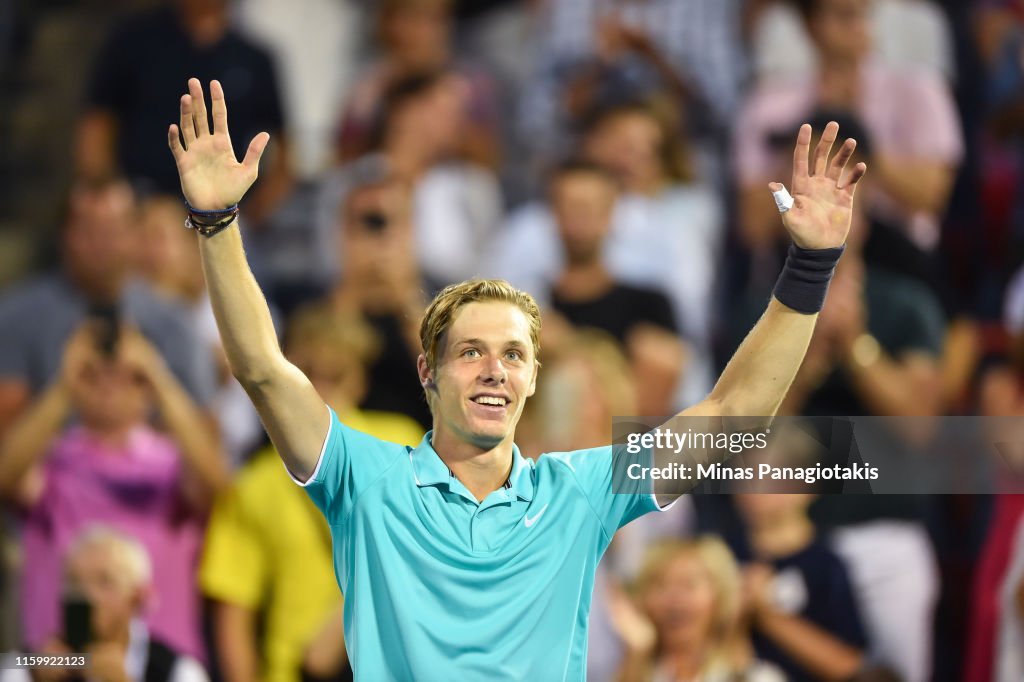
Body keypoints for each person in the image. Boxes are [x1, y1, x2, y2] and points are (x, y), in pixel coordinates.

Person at [166, 77, 865, 679]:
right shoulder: (365, 478)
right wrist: (217, 221)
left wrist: (811, 266)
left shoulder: (581, 491)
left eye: (512, 354)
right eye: (470, 351)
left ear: (532, 380)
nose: (494, 368)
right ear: (427, 373)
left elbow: (734, 407)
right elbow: (261, 369)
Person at [200, 304, 422, 682]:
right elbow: (234, 611)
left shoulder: (403, 443)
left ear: (361, 381)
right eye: (309, 375)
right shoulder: (254, 484)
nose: (321, 388)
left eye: (336, 374)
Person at [0, 323, 226, 660]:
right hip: (60, 662)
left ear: (145, 386)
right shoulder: (53, 459)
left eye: (127, 376)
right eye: (94, 375)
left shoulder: (171, 463)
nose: (109, 385)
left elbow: (218, 486)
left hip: (161, 667)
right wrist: (64, 385)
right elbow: (4, 476)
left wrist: (158, 376)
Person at [0, 177, 217, 438]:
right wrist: (65, 387)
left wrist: (156, 378)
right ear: (64, 234)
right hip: (51, 472)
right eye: (88, 230)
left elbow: (210, 459)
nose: (101, 244)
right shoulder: (17, 315)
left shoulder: (174, 320)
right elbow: (6, 455)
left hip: (151, 473)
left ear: (135, 234)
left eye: (113, 230)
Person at [76, 0, 291, 224]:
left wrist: (253, 213)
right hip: (140, 207)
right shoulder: (133, 40)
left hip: (221, 210)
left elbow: (286, 149)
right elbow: (97, 124)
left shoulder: (254, 59)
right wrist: (106, 191)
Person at [543, 159, 686, 416]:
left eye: (587, 209)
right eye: (569, 208)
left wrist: (567, 349)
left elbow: (652, 404)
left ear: (610, 214)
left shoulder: (648, 304)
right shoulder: (532, 307)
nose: (578, 222)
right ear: (553, 214)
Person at [0, 526, 208, 682]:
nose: (85, 594)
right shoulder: (36, 662)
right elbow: (13, 663)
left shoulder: (176, 670)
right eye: (74, 581)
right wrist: (35, 669)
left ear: (137, 596)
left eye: (105, 582)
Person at [606, 537, 785, 682]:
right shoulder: (624, 670)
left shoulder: (755, 677)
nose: (674, 598)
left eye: (688, 585)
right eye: (660, 585)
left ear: (721, 598)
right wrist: (637, 655)